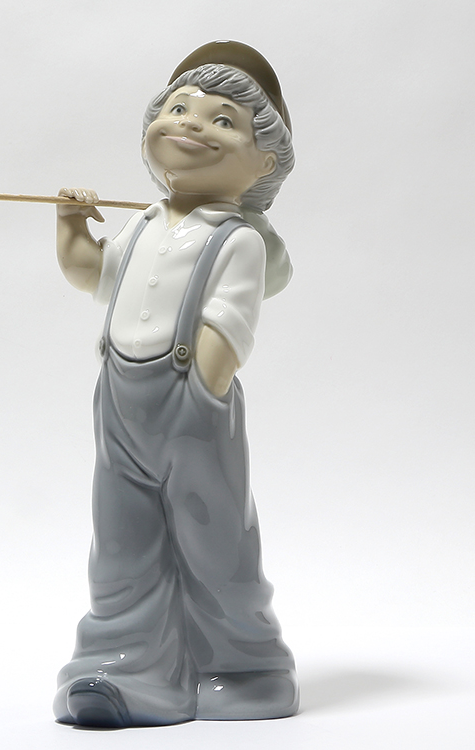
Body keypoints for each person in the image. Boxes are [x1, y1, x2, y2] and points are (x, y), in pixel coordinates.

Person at [53, 41, 298, 728]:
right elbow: (90, 274)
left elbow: (230, 322)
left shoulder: (238, 240)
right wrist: (70, 224)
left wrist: (204, 393)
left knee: (214, 541)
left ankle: (245, 669)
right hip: (120, 402)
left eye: (223, 121)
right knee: (120, 542)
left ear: (264, 163)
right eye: (178, 108)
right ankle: (122, 666)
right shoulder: (140, 225)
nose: (191, 124)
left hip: (192, 404)